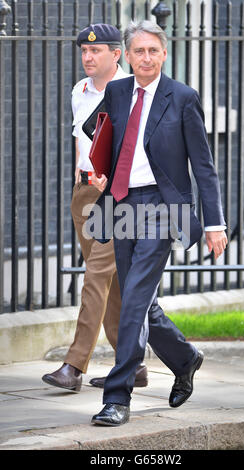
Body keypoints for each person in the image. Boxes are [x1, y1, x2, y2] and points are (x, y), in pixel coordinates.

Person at [90, 20, 228, 426]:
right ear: (127, 56)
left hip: (163, 208)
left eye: (154, 50)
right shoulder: (116, 91)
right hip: (121, 204)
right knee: (142, 302)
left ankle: (117, 397)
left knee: (132, 299)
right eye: (139, 51)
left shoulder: (182, 97)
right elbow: (101, 134)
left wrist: (214, 223)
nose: (146, 58)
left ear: (164, 54)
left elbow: (203, 166)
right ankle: (185, 358)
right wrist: (98, 169)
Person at [42, 24, 148, 393]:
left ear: (116, 55)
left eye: (96, 51)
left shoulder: (133, 94)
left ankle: (73, 366)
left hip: (117, 196)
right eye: (84, 52)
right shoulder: (79, 90)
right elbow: (80, 140)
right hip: (85, 192)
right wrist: (80, 183)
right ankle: (133, 365)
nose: (87, 57)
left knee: (96, 275)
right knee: (112, 283)